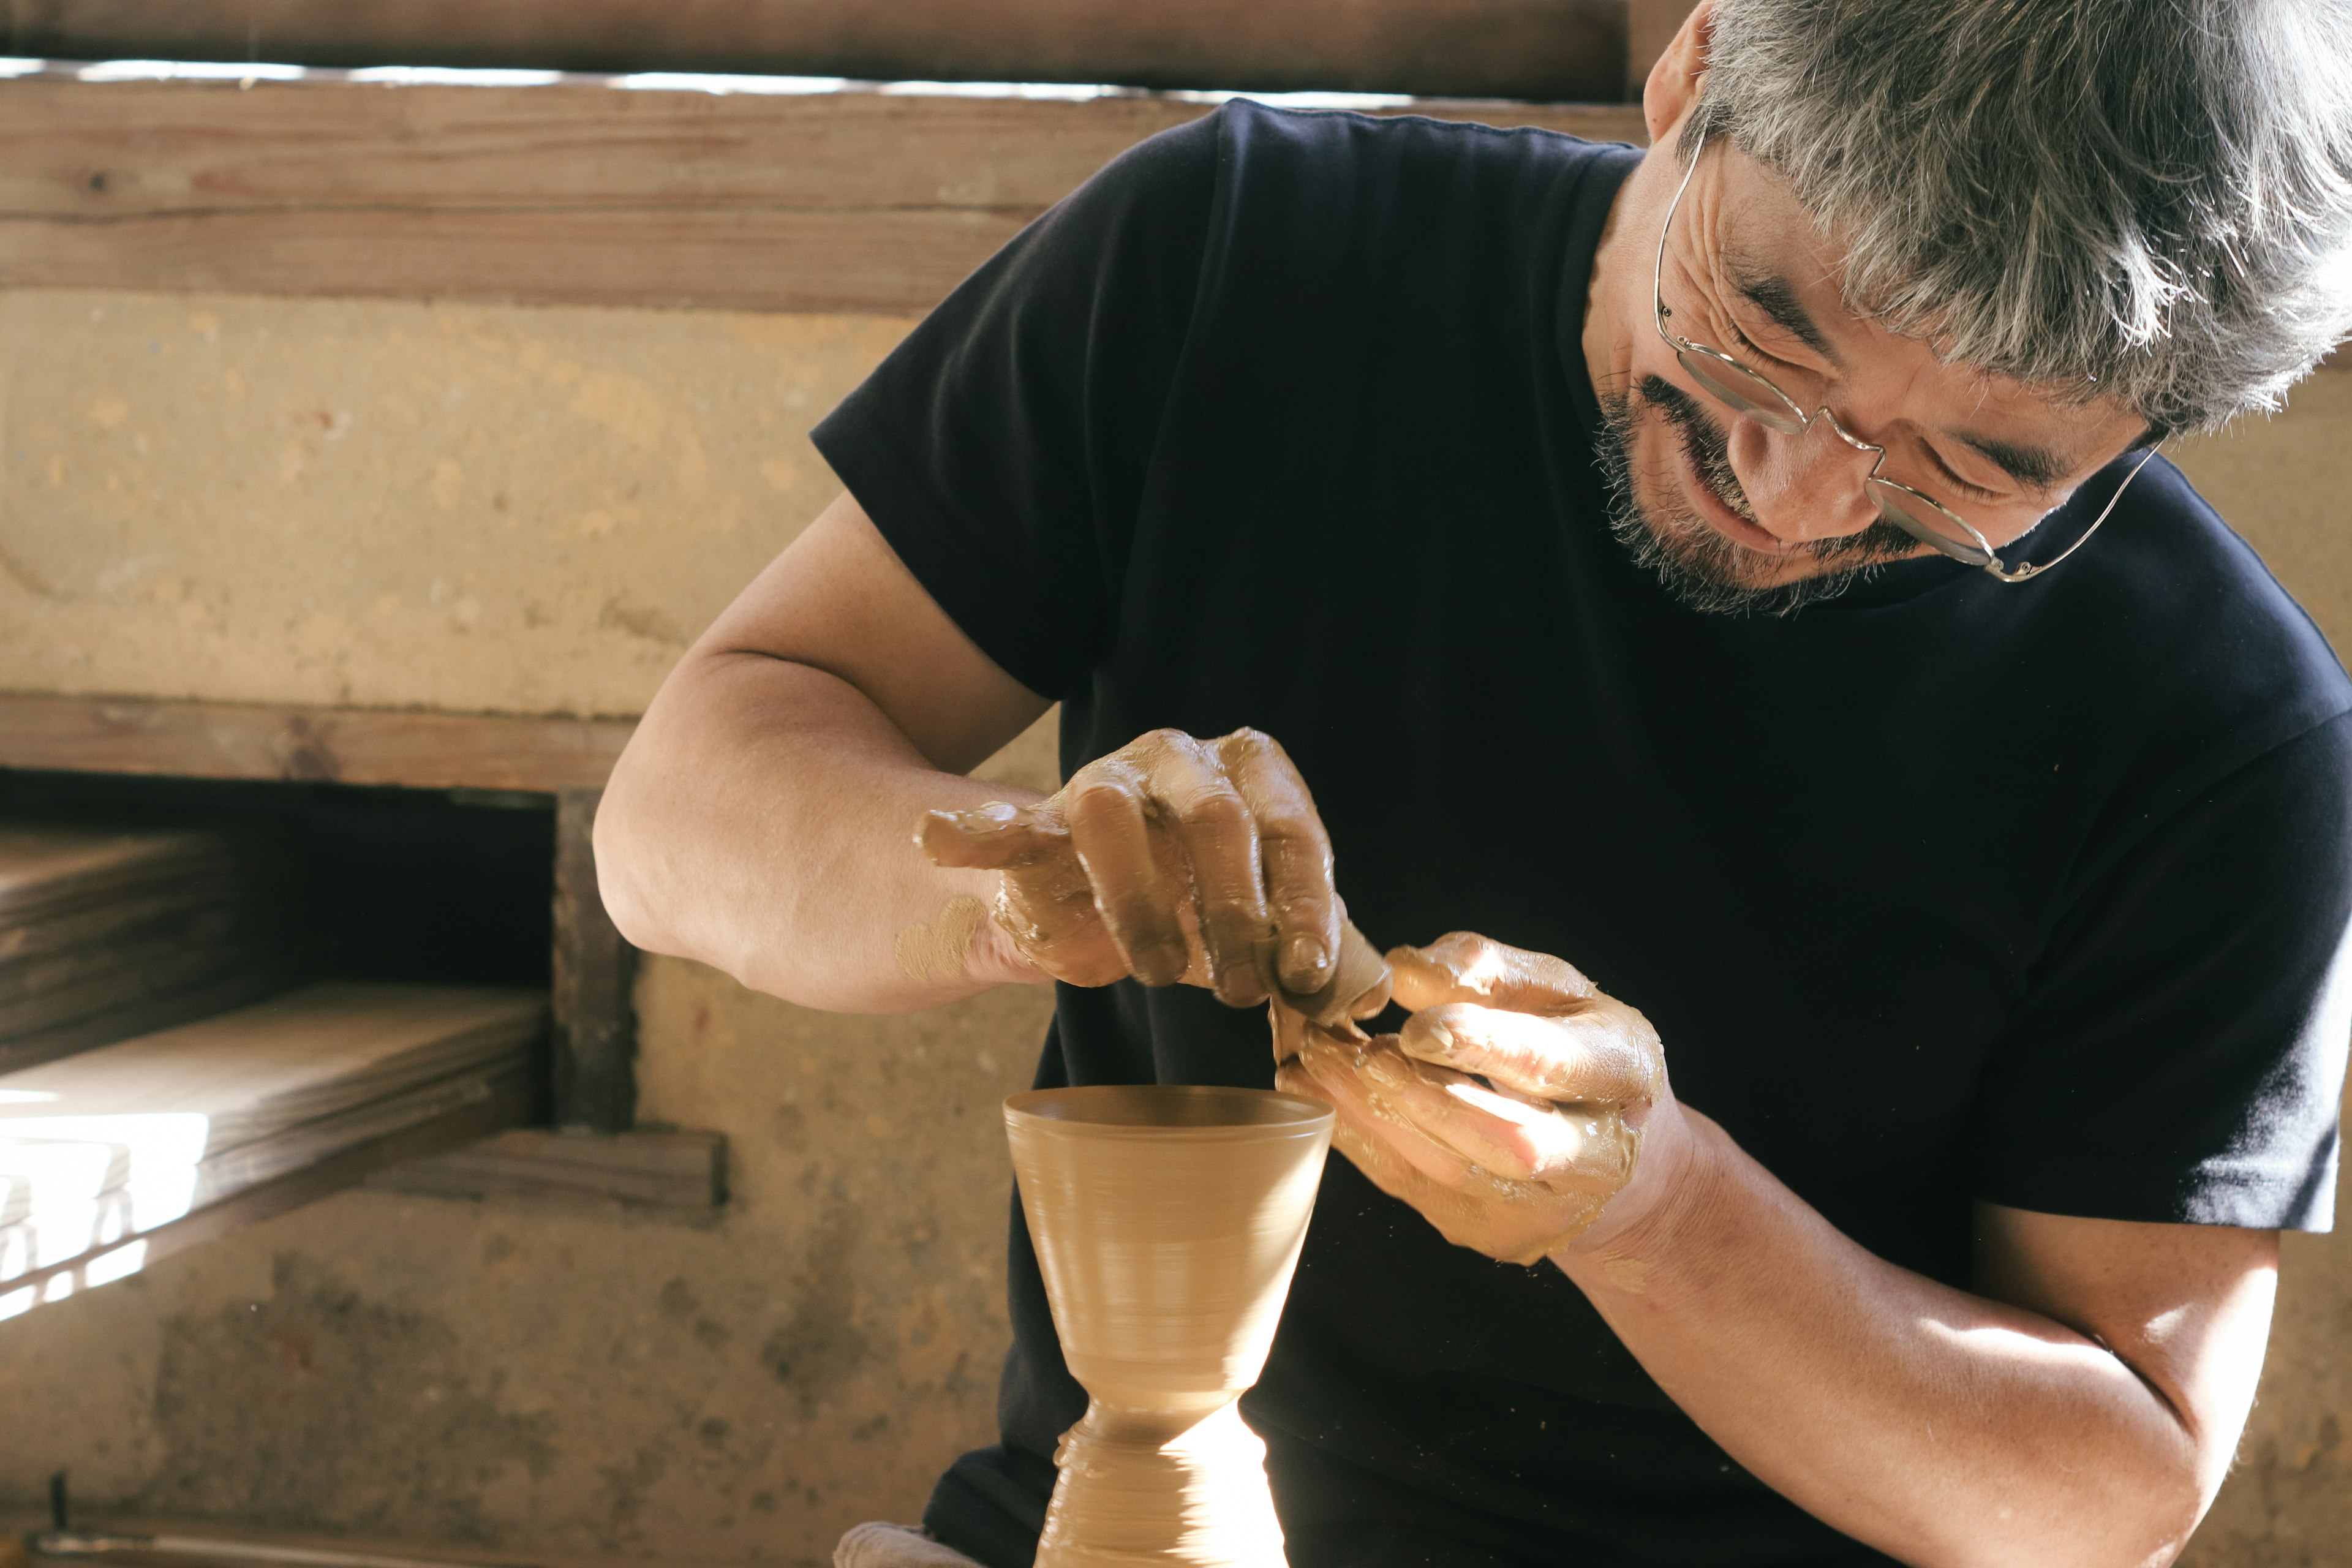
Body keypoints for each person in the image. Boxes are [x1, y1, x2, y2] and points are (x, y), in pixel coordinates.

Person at [594, 0, 2352, 1562]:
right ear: (1698, 68)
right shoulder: (1241, 257)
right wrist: (1014, 888)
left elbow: (2106, 1494)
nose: (1798, 494)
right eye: (1766, 332)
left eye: (1971, 466)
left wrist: (1657, 1209)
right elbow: (673, 822)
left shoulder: (2226, 733)